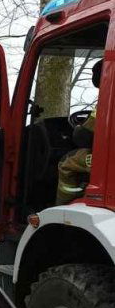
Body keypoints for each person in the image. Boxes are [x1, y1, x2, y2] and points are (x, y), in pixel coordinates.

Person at [57, 60, 102, 204]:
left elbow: (84, 136)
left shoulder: (108, 100)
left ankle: (64, 205)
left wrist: (78, 129)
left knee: (67, 162)